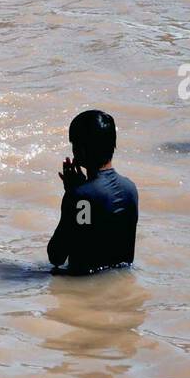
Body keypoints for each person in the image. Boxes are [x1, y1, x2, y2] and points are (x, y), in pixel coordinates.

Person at [47, 110, 138, 274]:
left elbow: (56, 256)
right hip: (121, 279)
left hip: (83, 286)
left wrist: (72, 193)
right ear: (113, 145)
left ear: (80, 150)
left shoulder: (80, 196)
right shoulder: (130, 188)